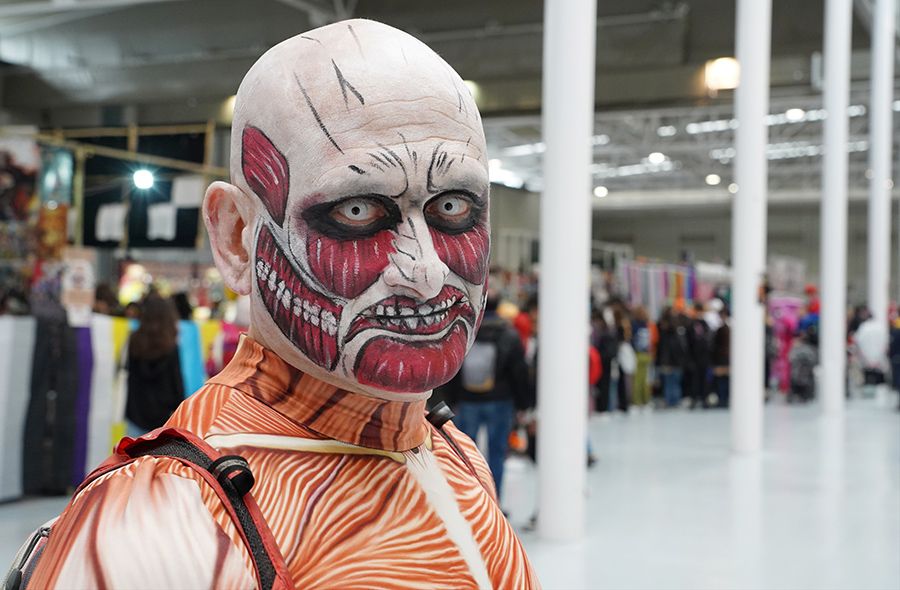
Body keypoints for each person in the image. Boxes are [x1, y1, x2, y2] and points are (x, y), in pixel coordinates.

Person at [29, 20, 537, 589]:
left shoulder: (450, 449)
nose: (426, 272)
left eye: (453, 207)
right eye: (357, 212)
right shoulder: (161, 525)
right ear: (236, 236)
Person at [446, 296, 530, 499]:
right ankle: (494, 501)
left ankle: (468, 501)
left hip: (468, 400)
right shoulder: (509, 335)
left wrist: (452, 400)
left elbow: (453, 366)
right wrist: (523, 404)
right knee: (497, 453)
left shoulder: (465, 331)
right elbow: (519, 372)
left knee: (464, 454)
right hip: (500, 400)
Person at [124, 295, 184, 435]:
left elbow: (127, 375)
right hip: (162, 417)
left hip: (135, 413)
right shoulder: (171, 346)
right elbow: (176, 382)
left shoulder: (133, 341)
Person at [656, 306, 687, 407]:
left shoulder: (666, 331)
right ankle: (673, 401)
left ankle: (671, 401)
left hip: (671, 361)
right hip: (674, 361)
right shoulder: (675, 331)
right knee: (673, 382)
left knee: (670, 382)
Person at [685, 302, 712, 409]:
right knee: (694, 380)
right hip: (694, 357)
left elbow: (708, 339)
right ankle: (694, 399)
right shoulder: (690, 324)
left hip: (704, 357)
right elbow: (688, 342)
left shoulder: (705, 324)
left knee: (704, 379)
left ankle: (704, 399)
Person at [631, 305, 653, 408]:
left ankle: (639, 401)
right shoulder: (645, 325)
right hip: (644, 353)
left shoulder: (635, 325)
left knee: (639, 379)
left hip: (639, 353)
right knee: (643, 379)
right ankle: (643, 400)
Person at [711, 307, 731, 407]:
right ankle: (723, 399)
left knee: (723, 381)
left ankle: (723, 399)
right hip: (724, 359)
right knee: (723, 381)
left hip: (722, 359)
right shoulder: (727, 328)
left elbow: (715, 346)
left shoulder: (721, 329)